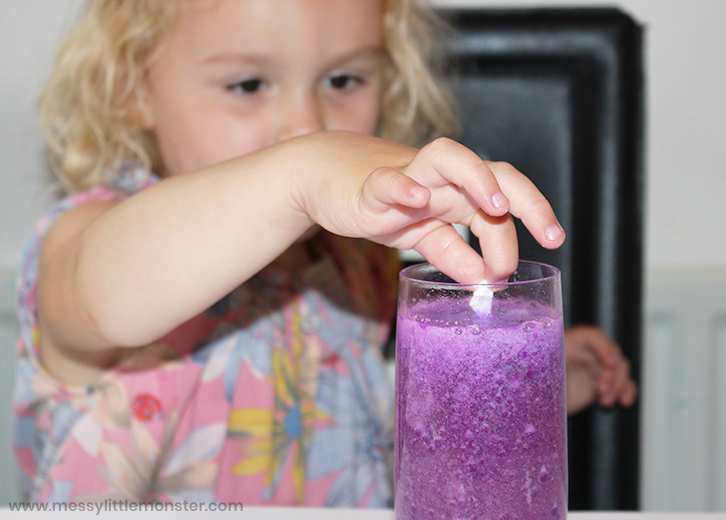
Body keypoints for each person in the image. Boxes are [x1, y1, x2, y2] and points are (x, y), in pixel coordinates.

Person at [13, 0, 634, 506]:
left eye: (342, 80)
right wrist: (299, 173)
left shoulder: (352, 263)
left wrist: (499, 385)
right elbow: (101, 302)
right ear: (132, 87)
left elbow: (349, 423)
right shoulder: (89, 236)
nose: (306, 123)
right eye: (249, 83)